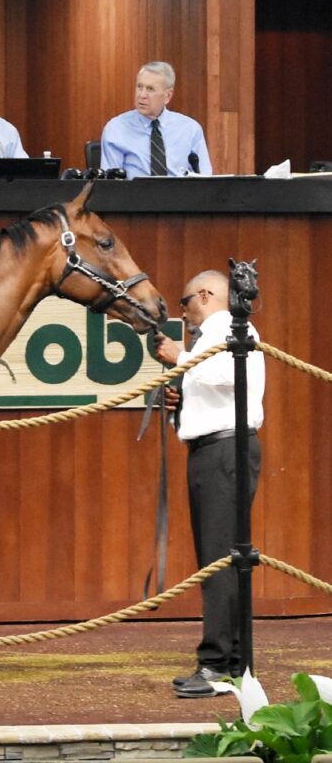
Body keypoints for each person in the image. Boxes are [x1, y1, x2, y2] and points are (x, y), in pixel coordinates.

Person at [154, 270, 265, 699]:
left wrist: (180, 358)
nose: (183, 312)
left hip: (224, 450)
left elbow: (223, 374)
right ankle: (234, 660)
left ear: (205, 295)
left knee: (219, 559)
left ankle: (217, 664)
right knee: (222, 558)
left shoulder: (230, 327)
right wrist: (184, 400)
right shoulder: (218, 333)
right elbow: (218, 387)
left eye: (185, 302)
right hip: (218, 448)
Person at [100, 61, 212, 178]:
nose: (142, 95)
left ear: (168, 96)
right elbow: (110, 186)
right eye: (139, 87)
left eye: (150, 89)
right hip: (134, 195)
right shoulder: (116, 129)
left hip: (179, 194)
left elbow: (205, 180)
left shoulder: (190, 129)